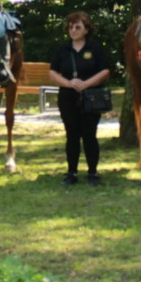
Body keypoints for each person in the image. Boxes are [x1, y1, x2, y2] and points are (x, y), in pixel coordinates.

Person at [47, 12, 111, 186]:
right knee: (72, 134)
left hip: (91, 96)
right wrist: (68, 83)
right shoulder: (62, 48)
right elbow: (53, 72)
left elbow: (105, 70)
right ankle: (72, 173)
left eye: (77, 27)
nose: (73, 30)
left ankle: (92, 173)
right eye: (70, 27)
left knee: (90, 135)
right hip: (68, 96)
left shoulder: (94, 47)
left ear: (86, 29)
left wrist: (87, 83)